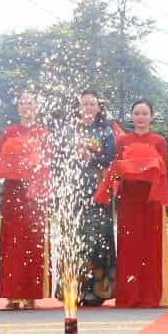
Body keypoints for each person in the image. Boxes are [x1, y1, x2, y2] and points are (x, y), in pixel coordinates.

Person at [0, 89, 51, 309]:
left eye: (30, 103)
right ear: (18, 107)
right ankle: (12, 295)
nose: (26, 107)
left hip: (35, 194)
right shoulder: (9, 132)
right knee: (12, 242)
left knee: (33, 242)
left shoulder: (44, 133)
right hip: (13, 193)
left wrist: (33, 166)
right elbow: (0, 159)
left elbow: (49, 163)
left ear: (37, 107)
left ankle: (31, 295)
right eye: (22, 103)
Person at [105, 98, 168, 308]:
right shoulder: (122, 141)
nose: (140, 117)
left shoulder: (159, 141)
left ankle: (150, 295)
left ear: (151, 116)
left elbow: (162, 170)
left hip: (150, 198)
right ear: (132, 117)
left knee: (151, 245)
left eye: (144, 113)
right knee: (129, 246)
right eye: (137, 114)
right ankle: (128, 295)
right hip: (129, 198)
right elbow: (117, 168)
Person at [66, 90, 118, 306]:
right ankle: (75, 289)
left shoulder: (106, 132)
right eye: (84, 104)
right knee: (76, 240)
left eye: (92, 104)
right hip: (75, 193)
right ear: (78, 107)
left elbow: (110, 159)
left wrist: (92, 157)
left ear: (98, 108)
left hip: (97, 191)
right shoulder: (70, 131)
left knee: (97, 239)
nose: (87, 108)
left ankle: (98, 291)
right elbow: (61, 158)